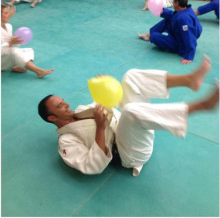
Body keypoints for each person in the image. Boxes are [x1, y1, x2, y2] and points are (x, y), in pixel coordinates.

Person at [38, 56, 219, 177]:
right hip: (130, 153)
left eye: (63, 101)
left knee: (131, 76)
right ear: (52, 118)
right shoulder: (67, 141)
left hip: (136, 127)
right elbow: (92, 166)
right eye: (61, 106)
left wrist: (105, 85)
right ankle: (201, 106)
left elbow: (110, 102)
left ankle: (188, 80)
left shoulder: (81, 109)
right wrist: (100, 128)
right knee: (131, 111)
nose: (67, 104)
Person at [138, 0, 202, 64]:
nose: (172, 2)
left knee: (154, 37)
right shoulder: (186, 9)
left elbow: (189, 36)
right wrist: (162, 11)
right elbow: (173, 15)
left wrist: (189, 56)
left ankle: (150, 36)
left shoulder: (184, 19)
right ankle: (148, 35)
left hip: (181, 44)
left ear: (177, 3)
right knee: (168, 20)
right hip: (180, 34)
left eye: (173, 1)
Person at [1, 3, 54, 78]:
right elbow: (8, 47)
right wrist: (9, 43)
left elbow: (11, 46)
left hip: (5, 56)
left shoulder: (9, 26)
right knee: (14, 51)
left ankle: (20, 66)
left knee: (29, 50)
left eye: (8, 12)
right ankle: (38, 71)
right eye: (6, 13)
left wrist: (16, 42)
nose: (9, 15)